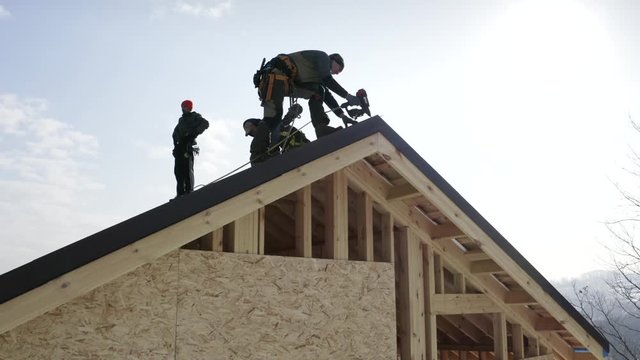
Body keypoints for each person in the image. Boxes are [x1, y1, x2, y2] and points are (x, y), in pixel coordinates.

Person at [253, 50, 360, 159]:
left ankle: (321, 128)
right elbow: (328, 79)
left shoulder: (317, 74)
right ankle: (258, 154)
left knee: (318, 92)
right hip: (274, 78)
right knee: (273, 117)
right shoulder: (323, 58)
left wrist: (342, 115)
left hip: (286, 82)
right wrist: (348, 96)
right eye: (339, 68)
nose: (337, 73)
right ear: (334, 60)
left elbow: (327, 96)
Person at [172, 100, 209, 197]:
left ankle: (189, 191)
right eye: (183, 107)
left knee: (188, 168)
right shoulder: (181, 120)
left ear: (190, 107)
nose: (184, 109)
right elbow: (175, 134)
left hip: (190, 144)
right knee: (178, 171)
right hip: (181, 146)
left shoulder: (195, 116)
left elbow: (205, 123)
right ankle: (180, 193)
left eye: (186, 107)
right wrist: (176, 146)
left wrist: (194, 133)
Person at [243, 117, 310, 165]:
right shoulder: (267, 137)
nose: (252, 134)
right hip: (293, 152)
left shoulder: (271, 129)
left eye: (252, 131)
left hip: (299, 148)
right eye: (250, 134)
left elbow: (283, 127)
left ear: (256, 125)